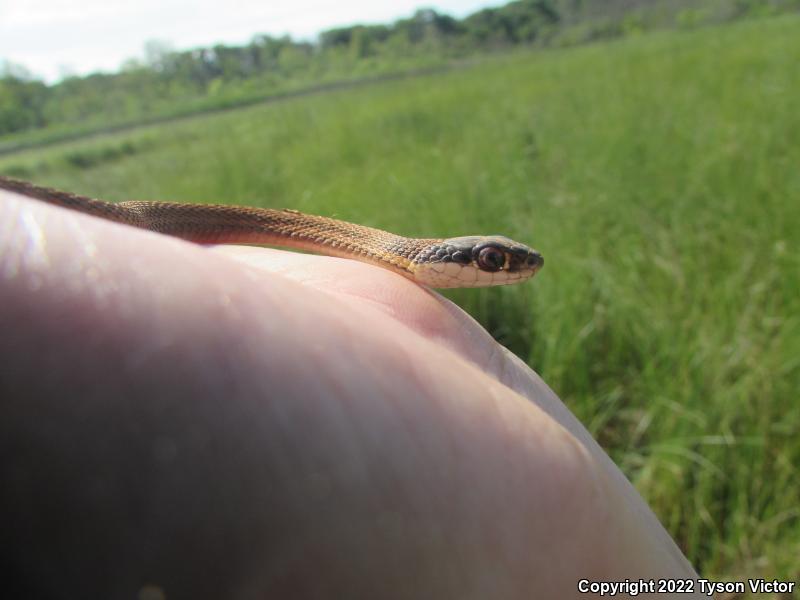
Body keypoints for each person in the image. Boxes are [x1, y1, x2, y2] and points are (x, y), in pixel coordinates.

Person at [0, 186, 702, 598]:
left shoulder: (393, 262)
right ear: (446, 259)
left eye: (503, 261)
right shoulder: (391, 255)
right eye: (492, 262)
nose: (508, 269)